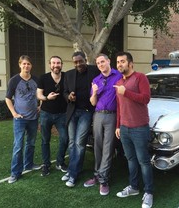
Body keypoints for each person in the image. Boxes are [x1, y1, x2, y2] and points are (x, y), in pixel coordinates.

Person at [114, 52, 154, 208]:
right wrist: (118, 125)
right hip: (124, 128)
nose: (119, 64)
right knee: (130, 160)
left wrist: (127, 92)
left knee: (144, 161)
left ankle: (149, 192)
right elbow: (119, 106)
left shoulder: (140, 77)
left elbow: (146, 98)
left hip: (139, 128)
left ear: (130, 63)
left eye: (122, 61)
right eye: (117, 62)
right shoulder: (118, 82)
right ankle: (134, 187)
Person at [83, 54, 122, 195]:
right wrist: (94, 92)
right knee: (97, 146)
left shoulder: (118, 76)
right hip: (98, 115)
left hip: (112, 116)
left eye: (102, 61)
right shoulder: (96, 80)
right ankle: (97, 174)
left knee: (108, 147)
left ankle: (104, 179)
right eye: (98, 63)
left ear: (108, 61)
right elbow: (93, 102)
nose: (100, 64)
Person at [61, 51, 100, 187]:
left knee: (79, 142)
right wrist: (69, 97)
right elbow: (64, 92)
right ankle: (72, 168)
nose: (78, 64)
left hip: (86, 112)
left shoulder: (94, 70)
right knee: (72, 143)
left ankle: (73, 174)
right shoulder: (69, 74)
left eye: (80, 61)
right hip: (73, 111)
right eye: (75, 62)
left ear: (85, 60)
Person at [5, 55, 41, 184]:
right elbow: (8, 98)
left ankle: (29, 164)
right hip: (20, 119)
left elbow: (41, 94)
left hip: (33, 118)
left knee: (31, 143)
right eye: (24, 64)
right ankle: (15, 173)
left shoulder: (36, 79)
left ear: (31, 66)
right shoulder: (14, 80)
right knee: (18, 146)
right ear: (20, 65)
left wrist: (40, 106)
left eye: (29, 64)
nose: (26, 66)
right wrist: (14, 113)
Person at [37, 56, 69, 176]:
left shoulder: (67, 77)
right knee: (45, 140)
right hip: (46, 113)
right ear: (50, 64)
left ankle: (60, 162)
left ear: (61, 64)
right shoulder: (43, 78)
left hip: (62, 114)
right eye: (54, 63)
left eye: (58, 63)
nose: (56, 65)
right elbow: (38, 95)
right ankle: (46, 164)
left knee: (65, 138)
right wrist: (47, 98)